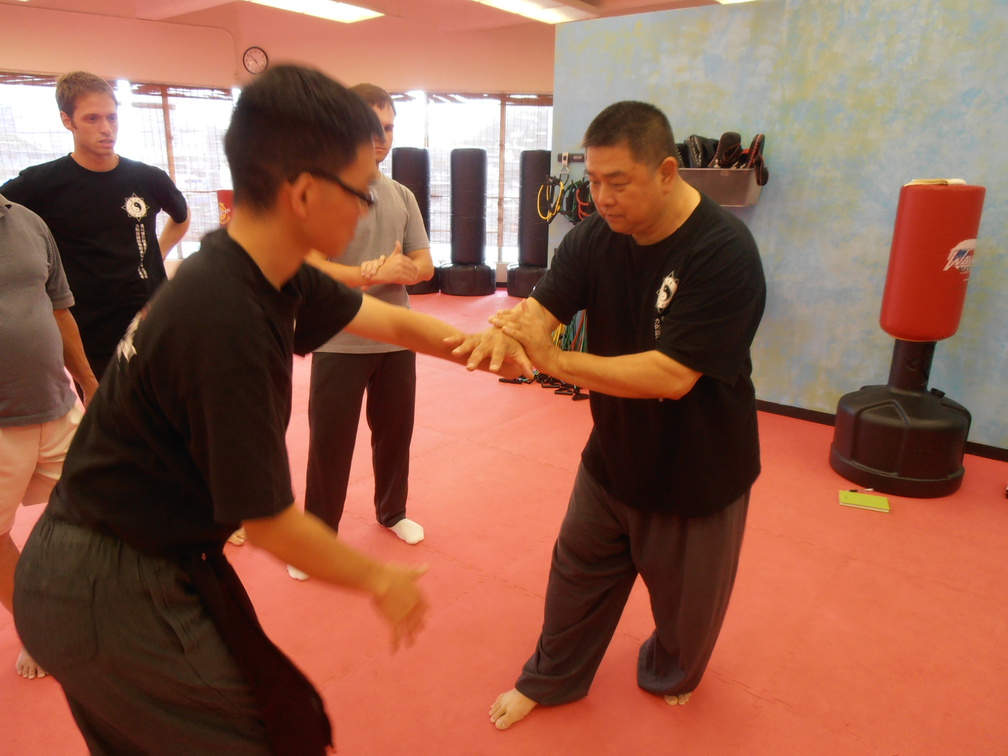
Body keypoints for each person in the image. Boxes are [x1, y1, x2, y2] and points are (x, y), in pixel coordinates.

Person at [12, 65, 525, 756]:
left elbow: (395, 324)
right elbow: (272, 524)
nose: (367, 210)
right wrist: (379, 579)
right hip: (108, 584)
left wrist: (489, 346)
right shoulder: (227, 315)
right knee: (273, 736)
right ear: (305, 192)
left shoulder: (264, 267)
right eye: (360, 191)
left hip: (121, 560)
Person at [451, 101, 766, 729]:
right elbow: (544, 309)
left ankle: (671, 668)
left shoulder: (723, 252)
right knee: (575, 575)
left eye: (617, 182)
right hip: (614, 454)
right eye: (593, 181)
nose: (601, 197)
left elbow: (672, 376)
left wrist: (555, 364)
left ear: (669, 172)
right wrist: (513, 336)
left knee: (685, 611)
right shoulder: (597, 236)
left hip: (699, 469)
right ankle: (553, 677)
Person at [298, 83, 434, 567]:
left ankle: (393, 511)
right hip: (339, 338)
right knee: (330, 445)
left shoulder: (401, 194)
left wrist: (407, 270)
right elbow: (309, 265)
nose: (381, 138)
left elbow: (425, 261)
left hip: (397, 338)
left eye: (390, 128)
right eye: (371, 128)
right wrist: (369, 274)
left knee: (395, 433)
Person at [1, 70, 190, 382]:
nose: (106, 129)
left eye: (112, 118)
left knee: (170, 416)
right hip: (91, 329)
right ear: (67, 120)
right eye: (92, 119)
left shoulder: (148, 178)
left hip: (153, 316)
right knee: (113, 424)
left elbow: (181, 219)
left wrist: (156, 250)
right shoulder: (41, 183)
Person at [0, 194, 99, 680]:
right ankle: (36, 631)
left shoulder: (30, 223)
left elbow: (60, 311)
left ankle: (77, 606)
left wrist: (89, 384)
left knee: (98, 509)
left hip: (57, 405)